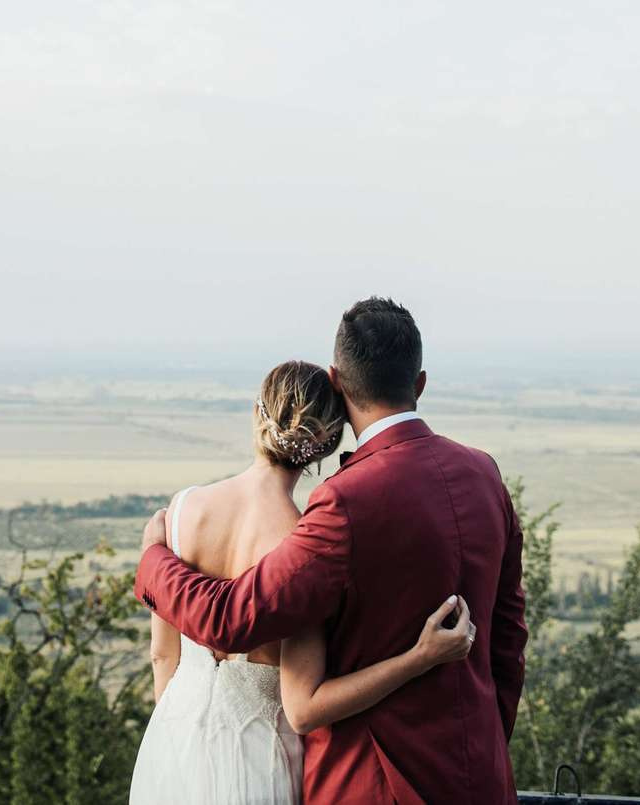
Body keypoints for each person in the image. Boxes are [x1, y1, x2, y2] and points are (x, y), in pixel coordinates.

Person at [135, 298, 528, 805]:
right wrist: (485, 743)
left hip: (372, 786)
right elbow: (508, 636)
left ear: (337, 381)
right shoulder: (484, 473)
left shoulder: (343, 502)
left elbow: (234, 618)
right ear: (420, 383)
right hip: (481, 777)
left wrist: (154, 560)